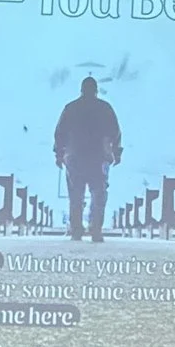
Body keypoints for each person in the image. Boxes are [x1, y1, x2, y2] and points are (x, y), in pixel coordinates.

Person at [54, 78, 123, 242]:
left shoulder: (70, 108)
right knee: (99, 194)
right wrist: (117, 153)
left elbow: (59, 133)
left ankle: (77, 230)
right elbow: (116, 132)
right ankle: (96, 230)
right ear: (96, 90)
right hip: (99, 157)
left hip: (75, 156)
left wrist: (59, 155)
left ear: (81, 89)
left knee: (76, 194)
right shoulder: (105, 108)